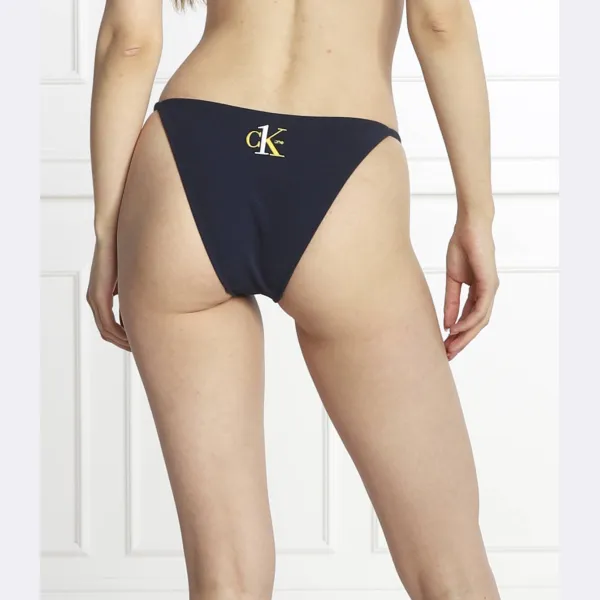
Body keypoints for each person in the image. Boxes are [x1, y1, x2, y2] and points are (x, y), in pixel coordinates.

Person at [86, 0, 501, 598]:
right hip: (344, 158)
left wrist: (108, 231)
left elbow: (127, 40)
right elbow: (441, 22)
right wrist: (476, 213)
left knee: (225, 576)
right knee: (449, 567)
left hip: (190, 156)